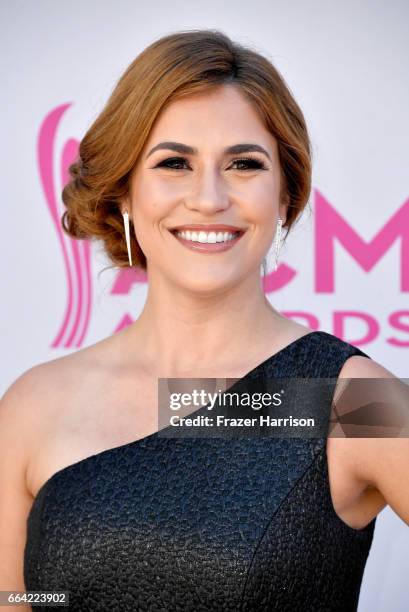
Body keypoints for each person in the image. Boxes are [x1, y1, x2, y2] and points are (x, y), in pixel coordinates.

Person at [0, 29, 408, 612]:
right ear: (125, 194)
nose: (209, 198)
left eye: (244, 164)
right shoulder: (34, 404)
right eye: (174, 163)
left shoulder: (346, 399)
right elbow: (19, 599)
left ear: (285, 195)